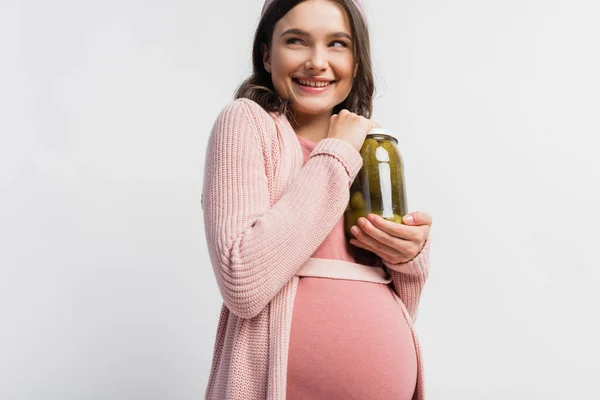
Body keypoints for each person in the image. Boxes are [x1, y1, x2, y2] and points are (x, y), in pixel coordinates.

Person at [201, 0, 433, 398]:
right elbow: (242, 281)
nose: (317, 61)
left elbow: (399, 306)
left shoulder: (372, 147)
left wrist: (409, 259)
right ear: (266, 55)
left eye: (338, 44)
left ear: (357, 63)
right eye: (296, 41)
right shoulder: (247, 122)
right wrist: (335, 154)